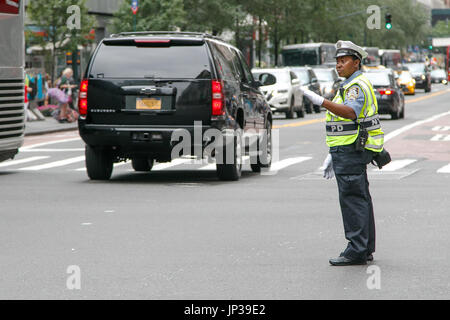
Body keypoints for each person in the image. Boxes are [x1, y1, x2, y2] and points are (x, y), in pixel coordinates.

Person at [303, 40, 385, 266]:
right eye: (337, 61)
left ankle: (356, 249)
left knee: (352, 200)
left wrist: (322, 102)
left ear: (356, 62)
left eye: (344, 61)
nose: (338, 65)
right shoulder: (351, 84)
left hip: (350, 151)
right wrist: (332, 151)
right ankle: (364, 247)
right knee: (361, 199)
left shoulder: (355, 86)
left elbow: (350, 113)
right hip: (347, 149)